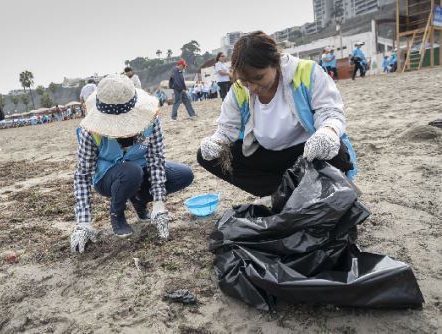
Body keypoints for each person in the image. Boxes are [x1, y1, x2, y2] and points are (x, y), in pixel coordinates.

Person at [197, 31, 357, 201]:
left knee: (335, 149)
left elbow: (330, 111)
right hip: (268, 157)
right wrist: (217, 141)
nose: (252, 88)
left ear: (276, 62)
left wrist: (327, 132)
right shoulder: (238, 90)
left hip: (307, 153)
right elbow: (227, 128)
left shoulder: (306, 72)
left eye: (258, 77)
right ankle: (280, 191)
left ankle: (305, 189)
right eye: (245, 81)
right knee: (208, 156)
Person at [71, 75, 194, 253]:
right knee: (131, 172)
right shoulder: (90, 132)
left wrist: (159, 204)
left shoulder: (150, 120)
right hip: (108, 177)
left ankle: (139, 199)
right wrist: (83, 222)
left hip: (141, 170)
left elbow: (156, 159)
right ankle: (117, 214)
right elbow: (83, 175)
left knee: (183, 175)